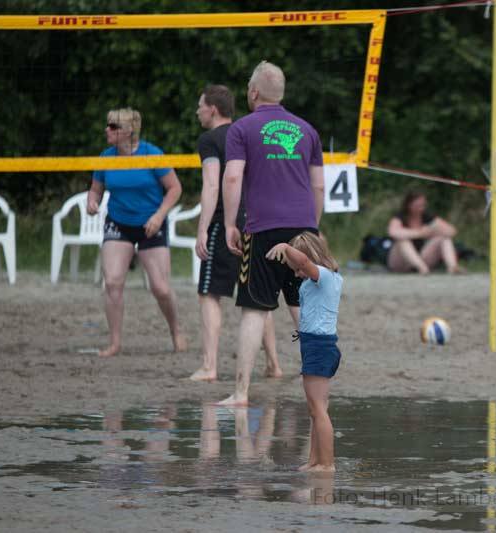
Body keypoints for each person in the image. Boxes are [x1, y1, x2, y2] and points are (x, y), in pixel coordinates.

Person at [218, 61, 324, 406]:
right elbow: (318, 185)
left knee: (254, 309)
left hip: (262, 228)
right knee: (303, 307)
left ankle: (241, 393)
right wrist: (313, 229)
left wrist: (230, 223)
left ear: (253, 92)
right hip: (303, 228)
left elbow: (233, 177)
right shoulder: (308, 130)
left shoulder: (242, 128)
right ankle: (319, 387)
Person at [189, 84, 281, 382]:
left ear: (212, 109)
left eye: (200, 106)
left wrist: (202, 228)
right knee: (257, 295)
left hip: (224, 221)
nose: (197, 111)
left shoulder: (209, 139)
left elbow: (213, 184)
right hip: (258, 220)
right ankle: (274, 365)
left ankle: (209, 366)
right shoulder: (249, 131)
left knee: (209, 293)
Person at [87, 107, 186, 358]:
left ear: (130, 131)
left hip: (150, 223)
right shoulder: (106, 157)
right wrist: (92, 201)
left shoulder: (152, 154)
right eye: (107, 125)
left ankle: (176, 330)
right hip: (118, 223)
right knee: (112, 282)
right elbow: (96, 188)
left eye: (113, 126)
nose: (106, 130)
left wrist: (159, 215)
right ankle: (115, 343)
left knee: (161, 288)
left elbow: (174, 189)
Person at [267, 232, 343, 472]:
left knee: (318, 410)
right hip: (314, 346)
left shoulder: (326, 277)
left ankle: (327, 464)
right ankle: (314, 460)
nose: (297, 274)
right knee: (315, 409)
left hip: (320, 348)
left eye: (297, 269)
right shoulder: (313, 282)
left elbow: (303, 263)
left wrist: (283, 246)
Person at [386, 192, 462, 274]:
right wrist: (420, 233)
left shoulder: (427, 216)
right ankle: (422, 268)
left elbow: (451, 231)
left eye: (422, 205)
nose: (421, 208)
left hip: (421, 256)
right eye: (418, 205)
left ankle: (453, 267)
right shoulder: (399, 217)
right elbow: (392, 232)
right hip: (400, 261)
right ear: (409, 205)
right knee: (402, 240)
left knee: (444, 239)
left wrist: (434, 231)